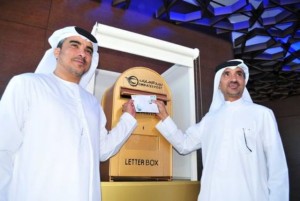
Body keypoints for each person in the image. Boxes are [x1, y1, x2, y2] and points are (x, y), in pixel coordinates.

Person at [0, 26, 137, 201]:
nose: (82, 53)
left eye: (88, 50)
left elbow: (102, 150)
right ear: (57, 52)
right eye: (74, 45)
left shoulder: (92, 103)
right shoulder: (26, 85)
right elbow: (3, 148)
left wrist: (128, 119)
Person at [155, 59, 289, 201]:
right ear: (219, 83)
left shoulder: (262, 114)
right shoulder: (209, 119)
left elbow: (277, 169)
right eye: (227, 74)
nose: (233, 79)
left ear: (244, 81)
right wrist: (164, 117)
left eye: (239, 74)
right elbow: (184, 145)